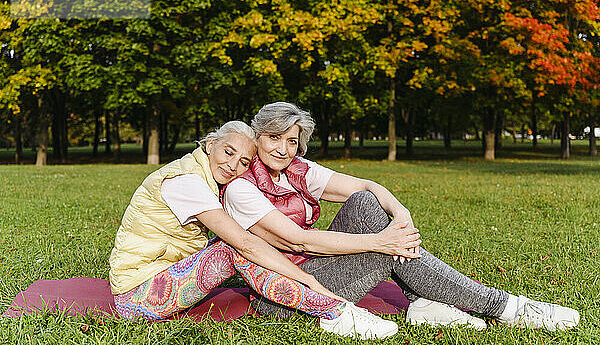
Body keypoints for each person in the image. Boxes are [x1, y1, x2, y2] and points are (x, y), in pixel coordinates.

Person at [222, 102, 580, 332]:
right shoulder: (242, 188)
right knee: (384, 250)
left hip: (315, 266)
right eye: (273, 139)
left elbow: (365, 185)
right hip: (286, 292)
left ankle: (423, 301)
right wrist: (380, 241)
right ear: (258, 137)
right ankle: (505, 307)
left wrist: (400, 212)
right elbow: (296, 240)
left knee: (364, 203)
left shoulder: (294, 169)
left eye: (291, 141)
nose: (282, 149)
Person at [109, 120, 402, 339]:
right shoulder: (186, 181)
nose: (232, 165)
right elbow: (244, 245)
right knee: (232, 249)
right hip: (136, 296)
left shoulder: (202, 175)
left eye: (244, 162)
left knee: (233, 247)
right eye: (227, 151)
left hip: (161, 275)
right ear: (210, 145)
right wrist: (308, 281)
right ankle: (333, 312)